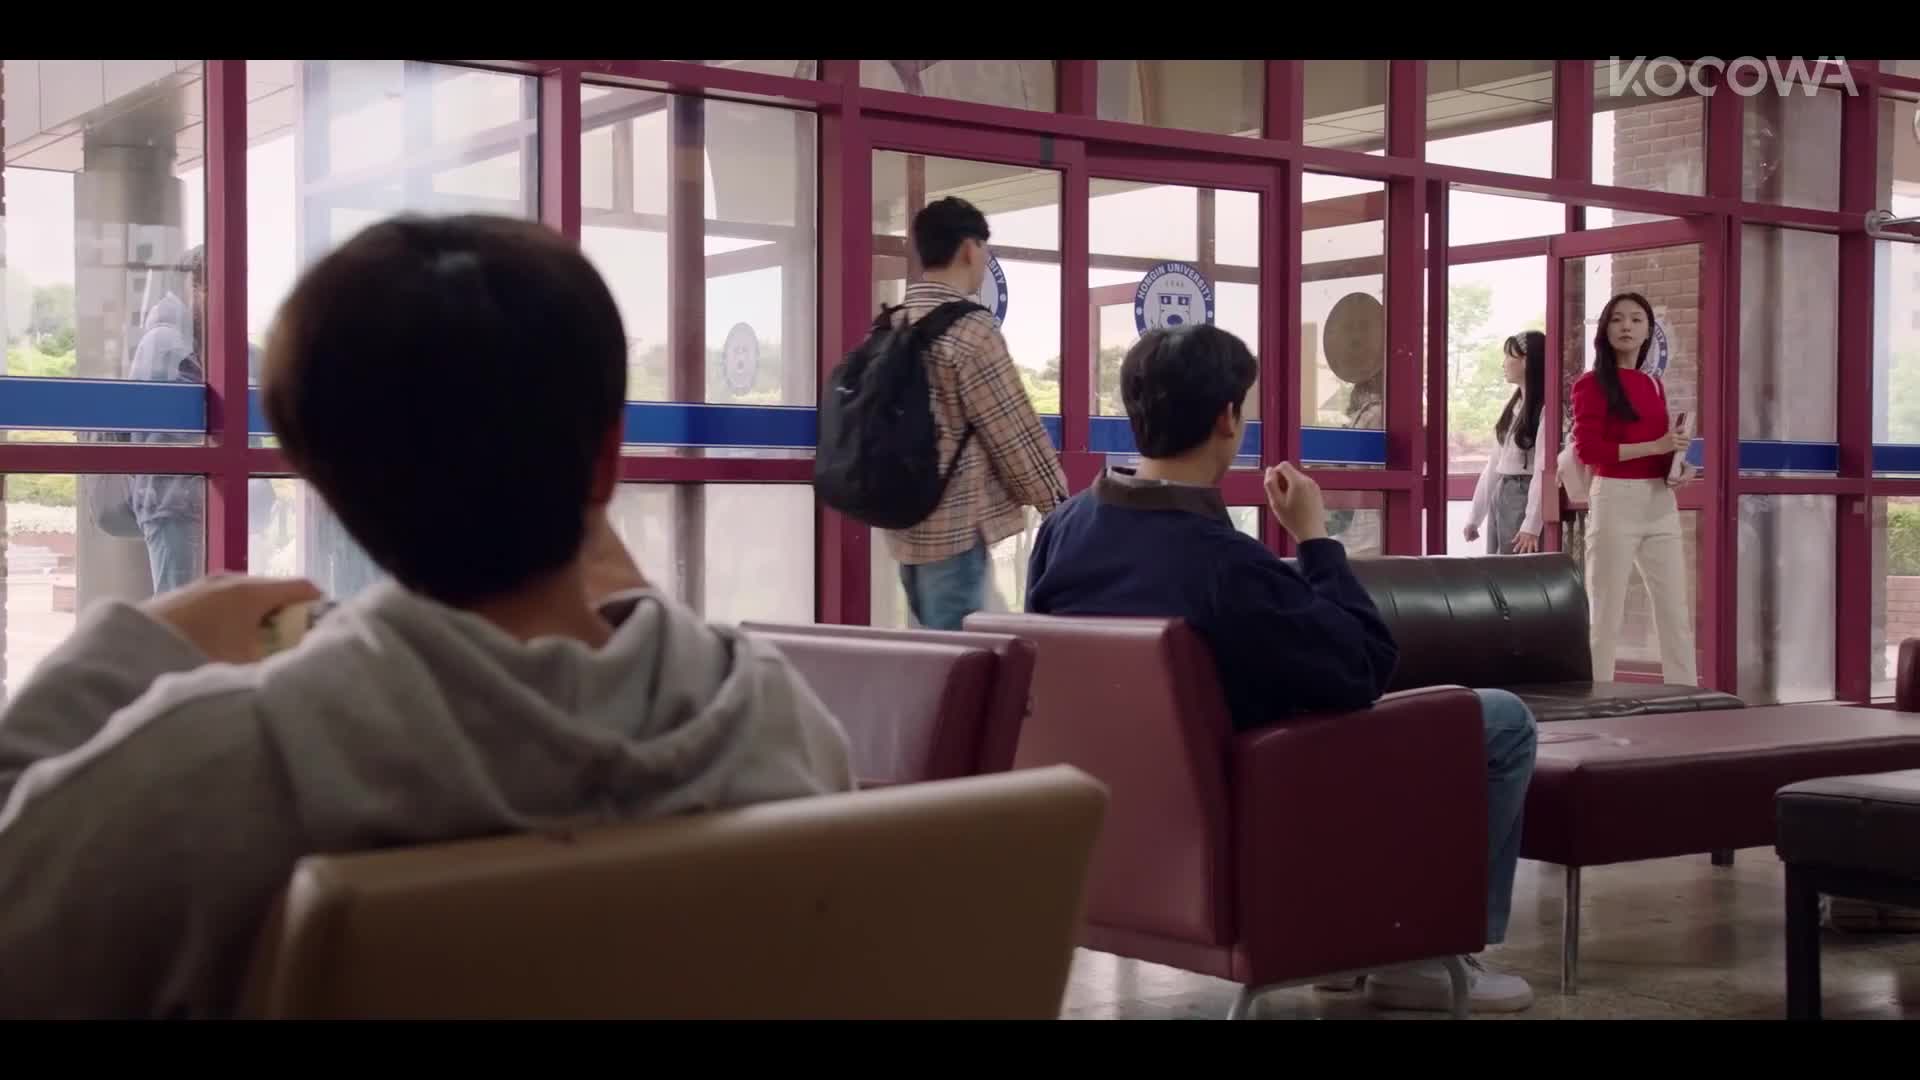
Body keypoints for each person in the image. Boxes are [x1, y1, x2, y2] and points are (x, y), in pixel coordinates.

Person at [0, 215, 855, 1018]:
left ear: (325, 482)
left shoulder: (216, 773)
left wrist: (139, 642)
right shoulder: (775, 725)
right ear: (607, 459)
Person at [1027, 324, 1537, 1014]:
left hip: (1119, 821)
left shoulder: (1063, 531)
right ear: (1226, 418)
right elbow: (1363, 669)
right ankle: (1420, 954)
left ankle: (1345, 945)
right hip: (1257, 797)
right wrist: (1316, 539)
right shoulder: (1224, 565)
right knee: (1501, 722)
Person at [885, 196, 1066, 630]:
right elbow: (1013, 431)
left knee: (929, 653)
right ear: (969, 248)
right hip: (955, 528)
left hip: (904, 528)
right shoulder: (970, 330)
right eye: (984, 248)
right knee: (962, 659)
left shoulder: (894, 324)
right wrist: (1060, 508)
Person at [126, 246, 278, 593]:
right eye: (215, 286)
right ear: (191, 287)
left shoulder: (218, 340)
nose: (231, 297)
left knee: (219, 608)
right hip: (176, 503)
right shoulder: (166, 341)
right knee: (181, 611)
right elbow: (179, 421)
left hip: (212, 498)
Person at [1569, 291, 1696, 686]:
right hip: (1615, 498)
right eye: (1618, 319)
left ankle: (1685, 696)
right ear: (1605, 330)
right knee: (1606, 609)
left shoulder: (1653, 384)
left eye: (1637, 320)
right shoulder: (1591, 384)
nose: (1627, 326)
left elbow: (1660, 449)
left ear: (1648, 331)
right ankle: (1595, 695)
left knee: (1674, 610)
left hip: (1659, 500)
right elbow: (1590, 450)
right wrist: (1655, 447)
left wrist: (1678, 466)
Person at [1464, 331, 1548, 555]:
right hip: (1503, 492)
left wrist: (1531, 524)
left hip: (1523, 494)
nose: (1504, 363)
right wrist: (1475, 517)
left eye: (1509, 355)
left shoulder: (1545, 409)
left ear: (1527, 361)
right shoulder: (1513, 407)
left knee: (1516, 569)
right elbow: (1494, 465)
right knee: (1497, 567)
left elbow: (1543, 468)